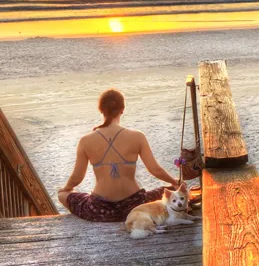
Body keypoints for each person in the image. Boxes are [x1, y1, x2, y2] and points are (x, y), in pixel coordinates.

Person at [58, 89, 179, 224]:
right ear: (122, 109)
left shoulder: (85, 141)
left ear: (101, 110)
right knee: (174, 191)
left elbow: (77, 177)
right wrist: (174, 181)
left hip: (100, 210)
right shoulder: (137, 136)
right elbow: (155, 170)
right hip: (136, 206)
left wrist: (66, 188)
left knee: (62, 195)